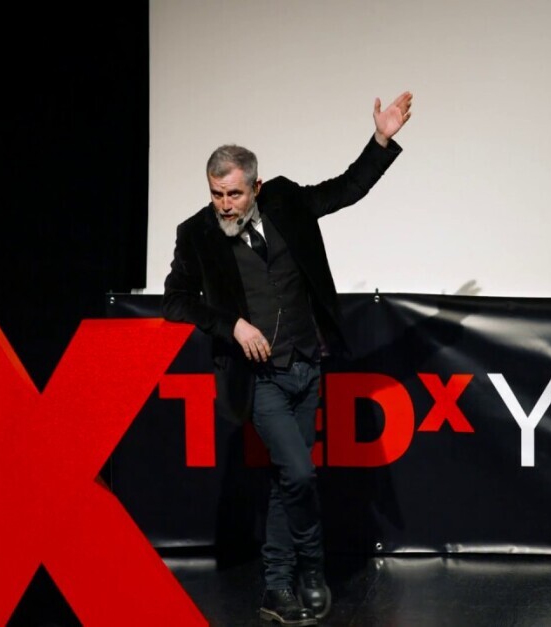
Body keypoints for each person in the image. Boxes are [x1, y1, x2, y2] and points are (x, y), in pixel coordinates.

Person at [162, 92, 412, 626]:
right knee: (299, 473)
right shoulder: (197, 234)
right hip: (259, 378)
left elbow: (345, 189)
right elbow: (176, 300)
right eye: (216, 194)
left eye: (233, 193)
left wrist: (380, 140)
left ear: (255, 187)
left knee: (285, 479)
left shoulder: (285, 201)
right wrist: (231, 324)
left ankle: (277, 587)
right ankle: (313, 570)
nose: (224, 205)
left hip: (306, 364)